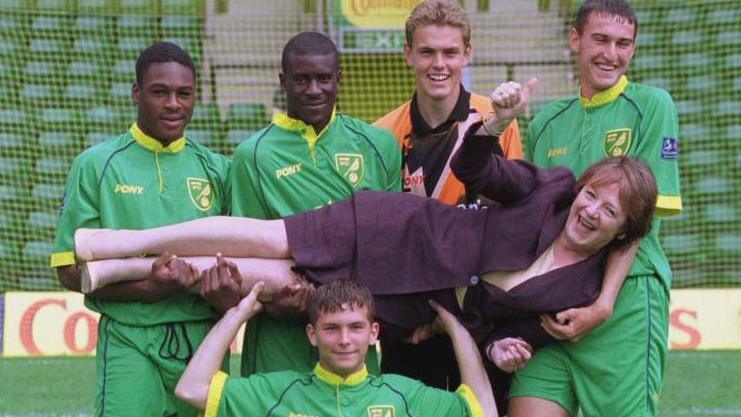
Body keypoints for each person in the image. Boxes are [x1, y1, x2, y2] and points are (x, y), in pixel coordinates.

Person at [517, 1, 682, 416]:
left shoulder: (653, 106)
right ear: (575, 40)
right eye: (601, 40)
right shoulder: (546, 122)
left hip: (623, 305)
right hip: (552, 306)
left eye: (623, 44)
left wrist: (603, 305)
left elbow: (638, 225)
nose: (612, 54)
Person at [50, 42, 231, 417]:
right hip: (129, 338)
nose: (173, 104)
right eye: (159, 92)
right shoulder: (96, 165)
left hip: (204, 338)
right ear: (136, 93)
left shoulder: (218, 169)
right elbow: (68, 271)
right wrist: (148, 289)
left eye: (184, 93)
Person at [205, 31, 401, 378]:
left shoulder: (378, 145)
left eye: (324, 78)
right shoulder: (253, 155)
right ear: (283, 81)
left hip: (349, 338)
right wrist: (275, 301)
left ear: (339, 79)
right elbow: (246, 251)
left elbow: (389, 245)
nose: (314, 89)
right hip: (278, 343)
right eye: (302, 79)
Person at [374, 0, 524, 388]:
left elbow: (513, 221)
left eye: (450, 52)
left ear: (467, 54)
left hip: (480, 319)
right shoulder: (382, 134)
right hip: (411, 320)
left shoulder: (497, 120)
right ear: (408, 54)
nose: (438, 64)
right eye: (427, 52)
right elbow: (383, 238)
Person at [174, 278, 497, 417]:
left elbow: (482, 409)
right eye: (332, 329)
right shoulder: (277, 393)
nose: (344, 340)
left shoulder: (404, 395)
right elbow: (191, 389)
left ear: (373, 333)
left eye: (355, 328)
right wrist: (238, 314)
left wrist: (455, 327)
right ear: (312, 334)